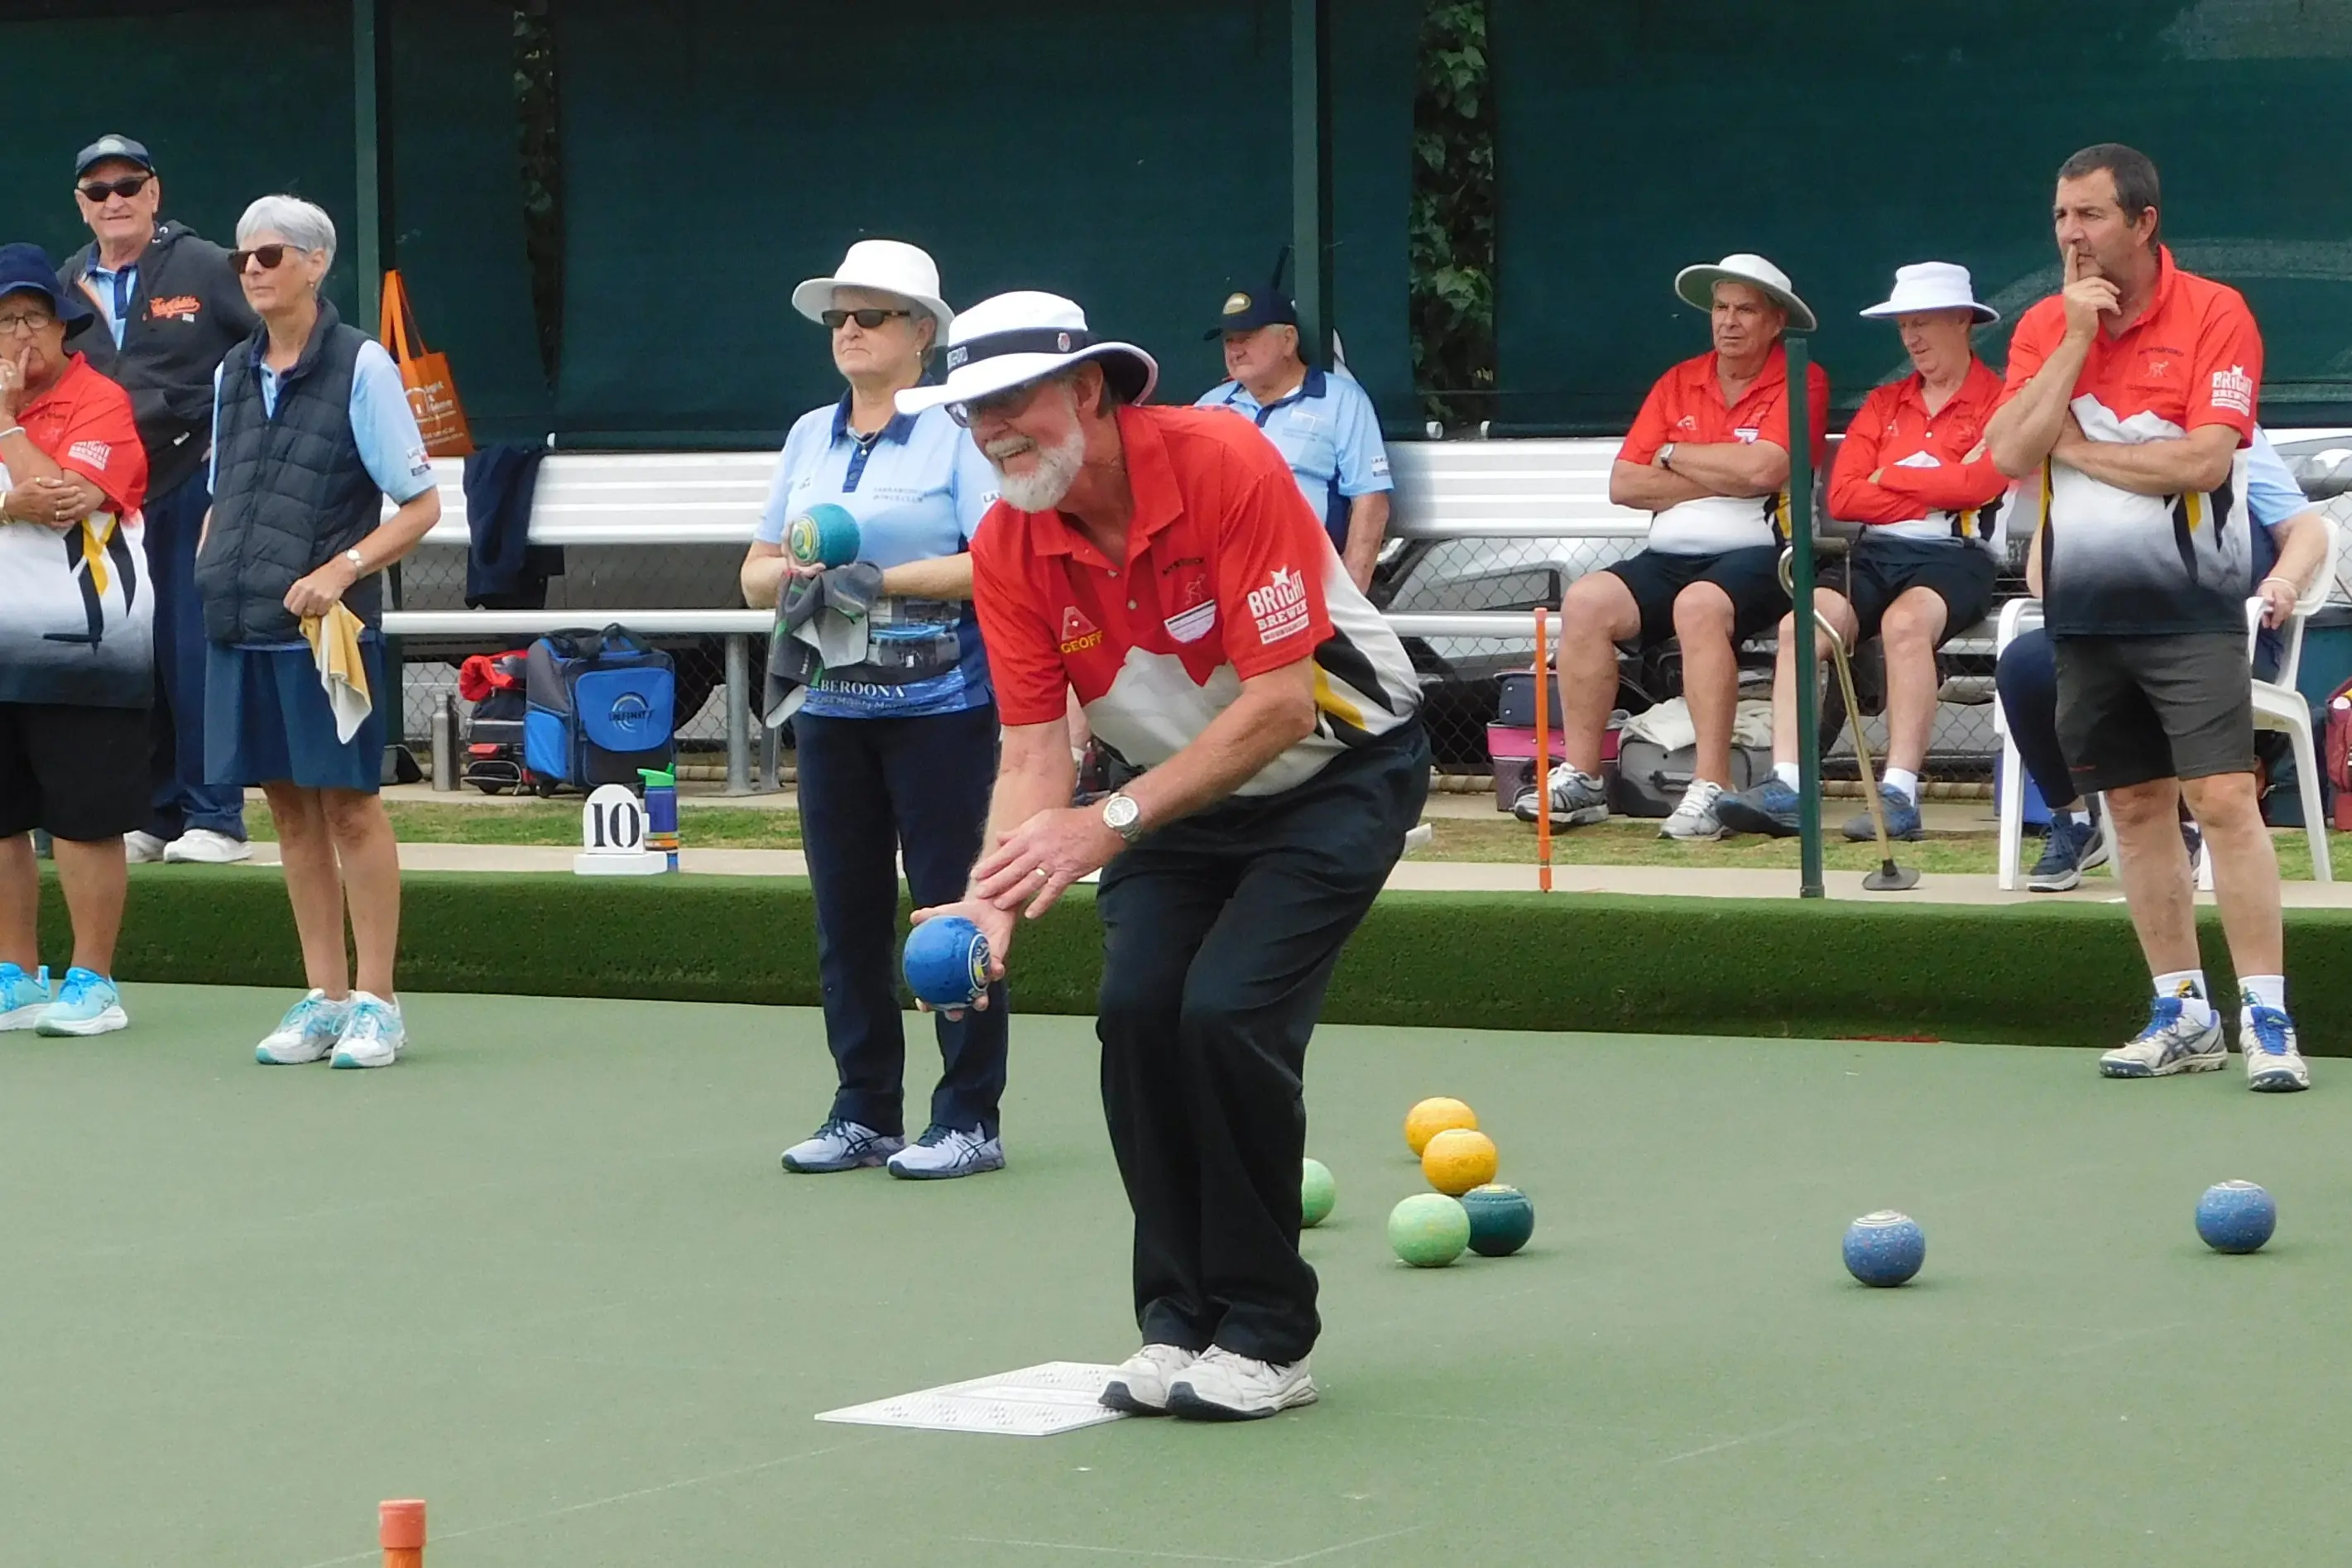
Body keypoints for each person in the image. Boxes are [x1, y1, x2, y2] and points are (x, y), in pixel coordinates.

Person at [900, 291, 1427, 1421]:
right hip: (1174, 804)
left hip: (1336, 775)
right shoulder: (1007, 542)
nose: (992, 430)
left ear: (1087, 390)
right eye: (970, 410)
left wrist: (1110, 823)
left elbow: (1284, 707)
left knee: (1225, 1011)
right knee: (1139, 1009)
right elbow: (1036, 748)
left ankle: (1268, 1334)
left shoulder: (1222, 460)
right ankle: (1176, 1322)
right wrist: (988, 901)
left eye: (1012, 401)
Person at [1985, 143, 2323, 1089]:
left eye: (2088, 216)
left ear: (2141, 222)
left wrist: (2083, 451)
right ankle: (2181, 1013)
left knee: (2219, 798)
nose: (2070, 235)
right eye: (2059, 217)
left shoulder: (2216, 312)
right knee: (2132, 807)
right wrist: (2071, 346)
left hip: (2191, 610)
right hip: (2083, 616)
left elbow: (2205, 462)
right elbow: (2010, 451)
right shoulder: (2048, 326)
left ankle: (2266, 1014)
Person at [738, 241, 1009, 1180]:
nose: (848, 330)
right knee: (845, 915)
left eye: (872, 315)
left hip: (943, 710)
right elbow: (754, 569)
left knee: (950, 912)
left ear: (922, 334)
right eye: (838, 318)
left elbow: (994, 561)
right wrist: (792, 577)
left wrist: (873, 580)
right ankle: (864, 1111)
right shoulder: (809, 433)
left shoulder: (957, 431)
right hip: (830, 707)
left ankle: (970, 1115)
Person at [198, 196, 440, 1069]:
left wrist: (342, 568)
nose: (252, 269)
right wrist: (208, 578)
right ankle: (324, 995)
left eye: (268, 255)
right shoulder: (230, 372)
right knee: (288, 813)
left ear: (313, 262)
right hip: (241, 624)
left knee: (350, 805)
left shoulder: (363, 364)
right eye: (242, 258)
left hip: (329, 632)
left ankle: (378, 999)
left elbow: (420, 506)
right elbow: (224, 498)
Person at [1515, 253, 1829, 840]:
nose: (1729, 321)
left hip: (1766, 556)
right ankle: (1583, 779)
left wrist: (1672, 453)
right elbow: (1624, 483)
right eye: (1720, 308)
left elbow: (1767, 469)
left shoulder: (1801, 376)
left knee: (1698, 606)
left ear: (1774, 321)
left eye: (1745, 310)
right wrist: (1720, 468)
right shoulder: (1679, 379)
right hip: (1668, 557)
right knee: (1585, 601)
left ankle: (1712, 786)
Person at [1717, 263, 2007, 841]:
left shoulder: (2000, 399)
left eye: (1922, 323)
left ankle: (1899, 791)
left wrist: (1892, 474)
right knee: (1804, 624)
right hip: (1873, 554)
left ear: (1963, 322)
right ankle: (1789, 785)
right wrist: (1936, 484)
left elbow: (1981, 487)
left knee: (1904, 626)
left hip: (1959, 554)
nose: (1911, 338)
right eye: (1903, 326)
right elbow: (1847, 496)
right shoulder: (1885, 401)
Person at [1994, 425, 2326, 890]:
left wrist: (2285, 582)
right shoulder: (2084, 425)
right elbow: (2041, 575)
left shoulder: (2225, 428)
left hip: (2220, 630)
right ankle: (2074, 823)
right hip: (2105, 629)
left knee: (2170, 667)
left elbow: (2305, 527)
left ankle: (2184, 824)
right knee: (2023, 664)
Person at [59, 134, 258, 866]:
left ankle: (218, 815)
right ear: (82, 206)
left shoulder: (204, 266)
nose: (115, 200)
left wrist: (231, 449)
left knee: (191, 650)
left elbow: (273, 345)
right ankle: (156, 809)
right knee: (132, 655)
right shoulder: (66, 282)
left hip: (190, 487)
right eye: (98, 190)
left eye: (128, 185)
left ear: (154, 192)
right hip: (104, 499)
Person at [0, 243, 151, 1035]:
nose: (18, 336)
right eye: (2, 322)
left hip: (87, 643)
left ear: (64, 328)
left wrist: (3, 422)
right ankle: (15, 974)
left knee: (84, 818)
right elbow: (15, 502)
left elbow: (63, 499)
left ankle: (93, 979)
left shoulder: (100, 400)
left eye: (31, 318)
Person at [1195, 287, 1393, 591]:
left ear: (1288, 340)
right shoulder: (1209, 406)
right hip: (1222, 582)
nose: (1235, 349)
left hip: (1307, 582)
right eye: (1228, 340)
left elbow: (1371, 501)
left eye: (1246, 337)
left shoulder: (1341, 399)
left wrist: (1351, 591)